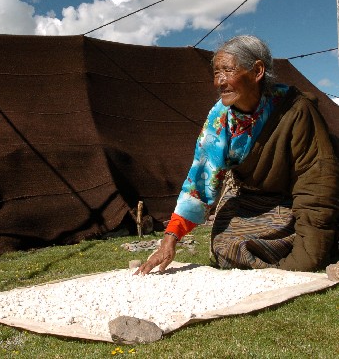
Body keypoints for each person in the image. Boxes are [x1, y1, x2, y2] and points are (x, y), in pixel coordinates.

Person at [136, 35, 339, 274]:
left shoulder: (295, 111)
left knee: (306, 246)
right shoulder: (219, 119)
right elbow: (199, 181)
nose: (219, 82)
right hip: (252, 204)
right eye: (216, 73)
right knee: (226, 246)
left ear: (257, 71)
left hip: (291, 203)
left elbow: (316, 185)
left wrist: (305, 263)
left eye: (228, 71)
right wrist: (169, 240)